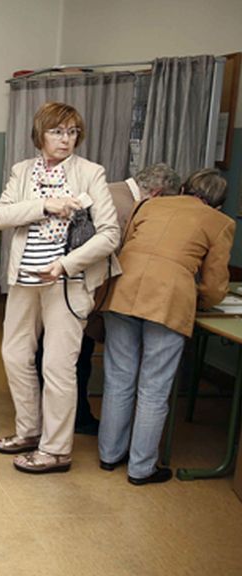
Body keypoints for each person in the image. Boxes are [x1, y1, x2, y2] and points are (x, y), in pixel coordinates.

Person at [0, 102, 120, 474]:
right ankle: (29, 430)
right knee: (15, 354)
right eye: (57, 131)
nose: (66, 140)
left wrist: (65, 264)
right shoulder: (22, 172)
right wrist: (45, 205)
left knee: (58, 365)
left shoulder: (90, 173)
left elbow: (110, 234)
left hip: (67, 280)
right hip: (25, 278)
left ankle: (56, 449)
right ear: (40, 135)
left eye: (72, 132)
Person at [98, 169, 234, 485]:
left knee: (118, 378)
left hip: (123, 290)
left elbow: (125, 246)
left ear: (184, 188)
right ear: (218, 204)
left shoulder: (148, 205)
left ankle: (109, 455)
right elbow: (214, 286)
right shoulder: (221, 223)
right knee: (154, 388)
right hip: (169, 300)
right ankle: (141, 468)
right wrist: (200, 299)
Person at [34, 163, 183, 436]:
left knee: (56, 352)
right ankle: (72, 419)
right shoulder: (126, 206)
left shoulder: (110, 190)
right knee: (74, 359)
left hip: (58, 279)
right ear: (158, 194)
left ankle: (52, 414)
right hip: (79, 287)